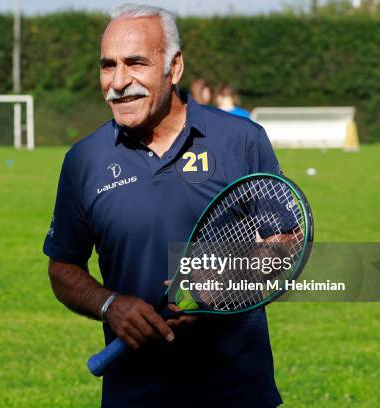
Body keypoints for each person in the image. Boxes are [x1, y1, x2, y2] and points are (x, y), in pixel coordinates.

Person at [44, 4, 282, 407]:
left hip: (237, 391)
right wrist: (111, 304)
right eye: (108, 66)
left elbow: (288, 243)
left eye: (135, 63)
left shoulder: (241, 140)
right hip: (134, 394)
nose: (119, 82)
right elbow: (62, 267)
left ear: (173, 68)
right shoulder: (84, 159)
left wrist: (229, 283)